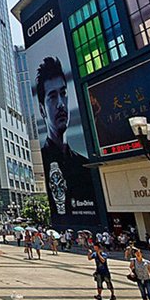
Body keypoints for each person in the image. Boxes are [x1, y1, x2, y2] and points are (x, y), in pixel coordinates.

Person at [35, 57, 96, 224]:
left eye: (63, 94)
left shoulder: (86, 165)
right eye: (52, 97)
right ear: (42, 109)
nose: (61, 104)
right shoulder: (44, 159)